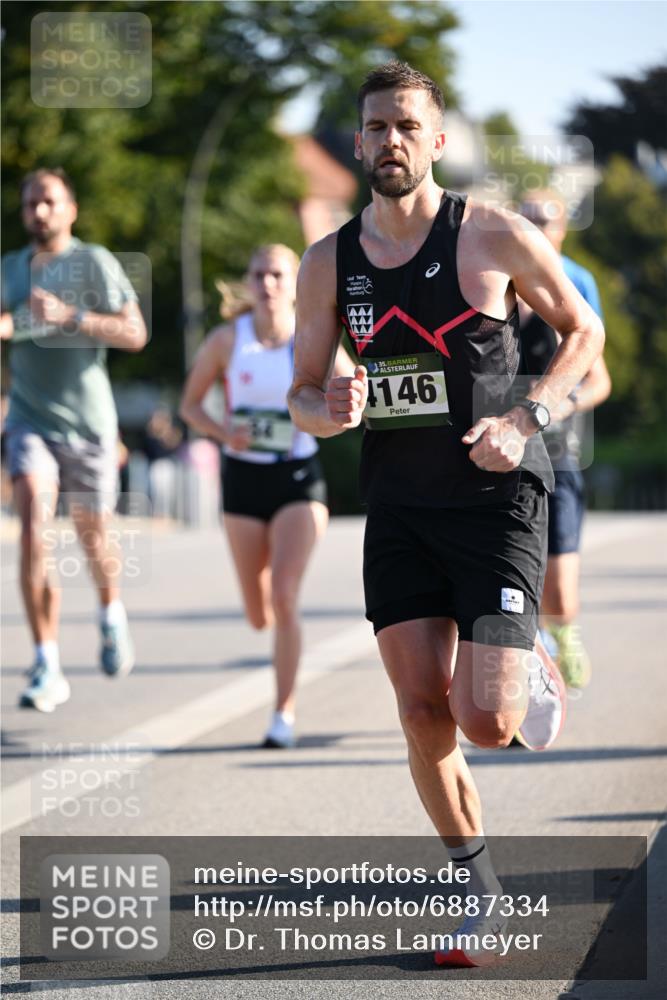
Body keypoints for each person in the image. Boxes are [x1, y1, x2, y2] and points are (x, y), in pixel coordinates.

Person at [288, 63, 604, 965]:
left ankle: (523, 658)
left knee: (485, 724)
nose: (389, 140)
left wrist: (526, 415)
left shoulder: (490, 235)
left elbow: (584, 332)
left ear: (433, 140)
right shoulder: (329, 262)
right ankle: (478, 891)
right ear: (356, 143)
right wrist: (327, 410)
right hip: (397, 504)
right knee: (422, 711)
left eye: (405, 126)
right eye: (374, 126)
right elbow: (304, 391)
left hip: (497, 498)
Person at [180, 244, 353, 749]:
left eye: (279, 273)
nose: (269, 283)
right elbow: (189, 406)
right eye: (260, 274)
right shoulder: (226, 341)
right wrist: (222, 432)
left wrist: (340, 410)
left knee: (284, 594)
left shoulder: (312, 338)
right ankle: (275, 631)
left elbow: (353, 394)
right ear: (249, 281)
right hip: (243, 480)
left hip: (298, 477)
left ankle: (283, 713)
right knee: (259, 612)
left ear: (295, 282)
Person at [0, 167, 147, 712]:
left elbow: (135, 332)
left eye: (49, 202)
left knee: (92, 535)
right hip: (29, 421)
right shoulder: (11, 268)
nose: (39, 211)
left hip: (89, 425)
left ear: (71, 209)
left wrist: (74, 316)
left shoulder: (93, 262)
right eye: (30, 203)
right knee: (34, 526)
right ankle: (47, 663)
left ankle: (111, 615)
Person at [518, 191, 611, 688]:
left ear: (562, 230)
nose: (535, 228)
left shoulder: (577, 282)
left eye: (545, 221)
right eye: (526, 218)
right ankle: (526, 661)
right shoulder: (496, 282)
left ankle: (563, 634)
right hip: (504, 457)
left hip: (558, 452)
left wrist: (561, 404)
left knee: (560, 595)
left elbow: (598, 374)